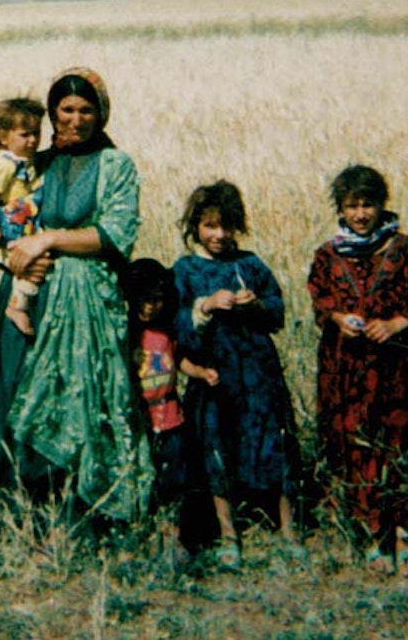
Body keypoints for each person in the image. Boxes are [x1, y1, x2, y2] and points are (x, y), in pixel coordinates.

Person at [0, 67, 153, 523]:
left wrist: (47, 240)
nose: (75, 119)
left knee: (81, 396)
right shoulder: (38, 163)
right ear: (52, 113)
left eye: (85, 110)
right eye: (66, 109)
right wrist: (3, 236)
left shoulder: (116, 165)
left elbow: (115, 235)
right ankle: (19, 502)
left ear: (102, 113)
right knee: (13, 387)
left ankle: (85, 505)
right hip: (29, 290)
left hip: (87, 299)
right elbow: (8, 214)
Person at [307, 165, 408, 577]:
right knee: (358, 444)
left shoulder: (406, 250)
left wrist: (398, 323)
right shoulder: (328, 255)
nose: (361, 213)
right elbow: (319, 299)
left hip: (397, 367)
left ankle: (405, 532)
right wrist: (338, 318)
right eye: (352, 205)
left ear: (382, 205)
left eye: (368, 204)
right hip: (347, 369)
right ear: (341, 208)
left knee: (402, 443)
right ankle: (372, 533)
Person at [173, 180, 300, 570]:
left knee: (274, 442)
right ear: (195, 226)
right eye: (210, 226)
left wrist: (257, 304)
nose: (219, 235)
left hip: (258, 372)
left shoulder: (250, 264)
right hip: (214, 376)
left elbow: (278, 312)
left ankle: (289, 532)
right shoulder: (185, 270)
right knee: (217, 447)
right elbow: (175, 325)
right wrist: (205, 306)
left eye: (227, 226)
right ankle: (229, 535)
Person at [121, 258, 198, 544]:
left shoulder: (169, 331)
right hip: (140, 419)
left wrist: (201, 372)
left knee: (174, 477)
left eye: (157, 299)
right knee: (142, 475)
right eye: (144, 299)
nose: (151, 306)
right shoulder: (125, 333)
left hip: (171, 416)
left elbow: (181, 362)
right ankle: (142, 530)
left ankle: (172, 533)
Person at [0, 97, 46, 336]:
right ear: (4, 137)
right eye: (24, 135)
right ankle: (17, 307)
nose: (33, 140)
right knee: (26, 266)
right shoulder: (1, 163)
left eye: (36, 133)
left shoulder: (28, 162)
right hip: (10, 225)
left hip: (26, 222)